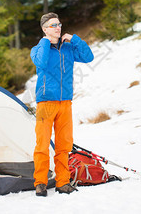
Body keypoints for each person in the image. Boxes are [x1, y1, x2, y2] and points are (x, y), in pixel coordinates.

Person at [30, 12, 94, 196]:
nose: (58, 27)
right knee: (42, 145)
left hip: (65, 103)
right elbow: (41, 62)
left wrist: (75, 39)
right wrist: (45, 41)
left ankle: (63, 182)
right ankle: (40, 183)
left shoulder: (67, 48)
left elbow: (88, 57)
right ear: (44, 29)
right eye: (53, 25)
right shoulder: (37, 49)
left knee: (64, 145)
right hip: (45, 104)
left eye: (59, 24)